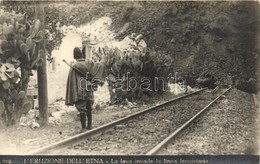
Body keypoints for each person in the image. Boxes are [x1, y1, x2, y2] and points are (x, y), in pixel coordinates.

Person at [65, 47, 106, 133]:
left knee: (81, 108)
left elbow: (72, 80)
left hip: (80, 89)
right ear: (82, 54)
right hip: (89, 87)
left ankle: (83, 128)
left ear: (74, 56)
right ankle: (90, 125)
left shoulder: (75, 65)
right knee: (89, 107)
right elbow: (97, 68)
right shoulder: (89, 62)